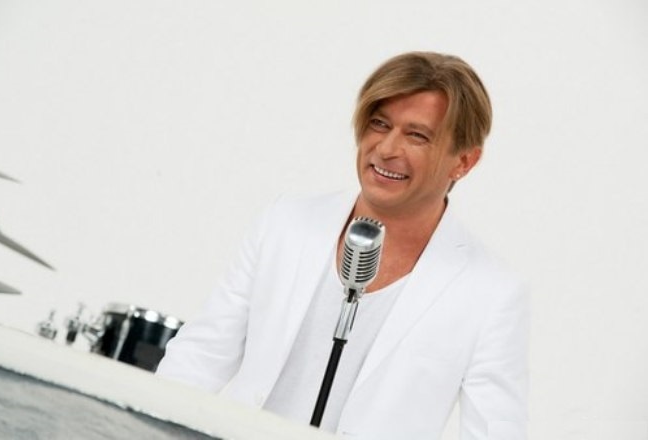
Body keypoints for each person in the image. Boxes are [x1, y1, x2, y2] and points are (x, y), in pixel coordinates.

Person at [156, 51, 529, 439]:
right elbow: (200, 357)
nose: (386, 149)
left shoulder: (491, 292)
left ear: (464, 161)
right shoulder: (286, 223)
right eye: (379, 124)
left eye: (417, 136)